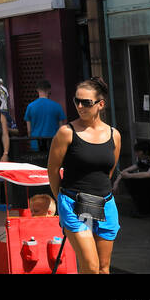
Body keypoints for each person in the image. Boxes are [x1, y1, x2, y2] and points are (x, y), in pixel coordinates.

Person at [47, 77, 121, 274]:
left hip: (105, 204)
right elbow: (53, 170)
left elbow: (108, 172)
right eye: (76, 101)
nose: (80, 106)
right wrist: (60, 199)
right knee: (90, 266)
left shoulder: (114, 134)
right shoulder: (66, 132)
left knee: (104, 269)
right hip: (74, 204)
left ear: (100, 104)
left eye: (86, 102)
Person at [113, 140, 150, 216]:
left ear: (145, 152)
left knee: (141, 181)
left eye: (138, 151)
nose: (136, 154)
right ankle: (142, 208)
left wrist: (130, 176)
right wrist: (116, 183)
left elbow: (149, 174)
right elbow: (125, 171)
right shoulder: (145, 161)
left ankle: (144, 210)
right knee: (131, 181)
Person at [23, 80, 66, 157]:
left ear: (37, 90)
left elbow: (29, 130)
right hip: (53, 142)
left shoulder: (30, 106)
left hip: (36, 142)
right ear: (49, 90)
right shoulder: (57, 106)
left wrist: (31, 139)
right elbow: (61, 128)